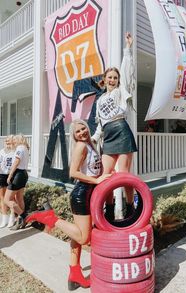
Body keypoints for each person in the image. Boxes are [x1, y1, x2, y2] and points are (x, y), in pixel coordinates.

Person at [26, 119, 110, 290]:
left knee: (77, 236)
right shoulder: (80, 146)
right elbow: (73, 173)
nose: (81, 133)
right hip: (81, 194)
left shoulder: (91, 144)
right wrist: (97, 179)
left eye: (83, 129)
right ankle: (50, 218)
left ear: (87, 128)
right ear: (74, 135)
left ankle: (74, 274)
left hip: (88, 193)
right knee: (84, 237)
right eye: (77, 132)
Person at [91, 32, 137, 220]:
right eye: (109, 77)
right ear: (104, 79)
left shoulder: (121, 90)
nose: (112, 80)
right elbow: (100, 126)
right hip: (108, 136)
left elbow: (126, 71)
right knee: (105, 175)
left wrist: (127, 49)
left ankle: (129, 209)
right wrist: (91, 139)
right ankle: (109, 211)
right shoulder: (100, 99)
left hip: (122, 130)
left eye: (115, 78)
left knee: (124, 174)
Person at [4, 134, 29, 230]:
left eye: (15, 140)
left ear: (19, 140)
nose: (13, 142)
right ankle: (21, 221)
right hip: (23, 174)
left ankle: (23, 216)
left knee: (7, 200)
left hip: (18, 174)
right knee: (19, 198)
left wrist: (10, 174)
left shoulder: (19, 148)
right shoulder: (25, 148)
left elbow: (16, 162)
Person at [0, 135, 15, 228]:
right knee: (2, 197)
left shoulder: (15, 151)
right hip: (1, 175)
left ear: (13, 142)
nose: (7, 142)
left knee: (11, 198)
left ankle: (12, 218)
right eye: (6, 141)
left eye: (9, 141)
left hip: (11, 175)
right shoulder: (1, 151)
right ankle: (4, 218)